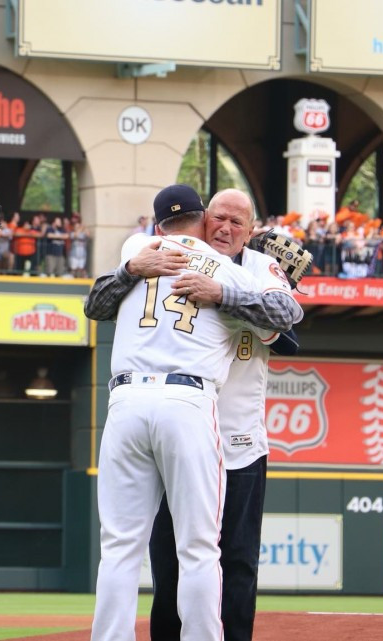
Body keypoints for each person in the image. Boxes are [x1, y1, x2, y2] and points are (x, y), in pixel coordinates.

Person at [85, 188, 303, 641]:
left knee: (126, 548)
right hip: (189, 410)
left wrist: (133, 269)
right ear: (204, 220)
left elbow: (94, 306)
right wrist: (227, 289)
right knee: (194, 551)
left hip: (148, 409)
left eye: (236, 223)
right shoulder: (227, 268)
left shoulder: (138, 249)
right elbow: (286, 313)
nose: (224, 229)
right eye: (217, 218)